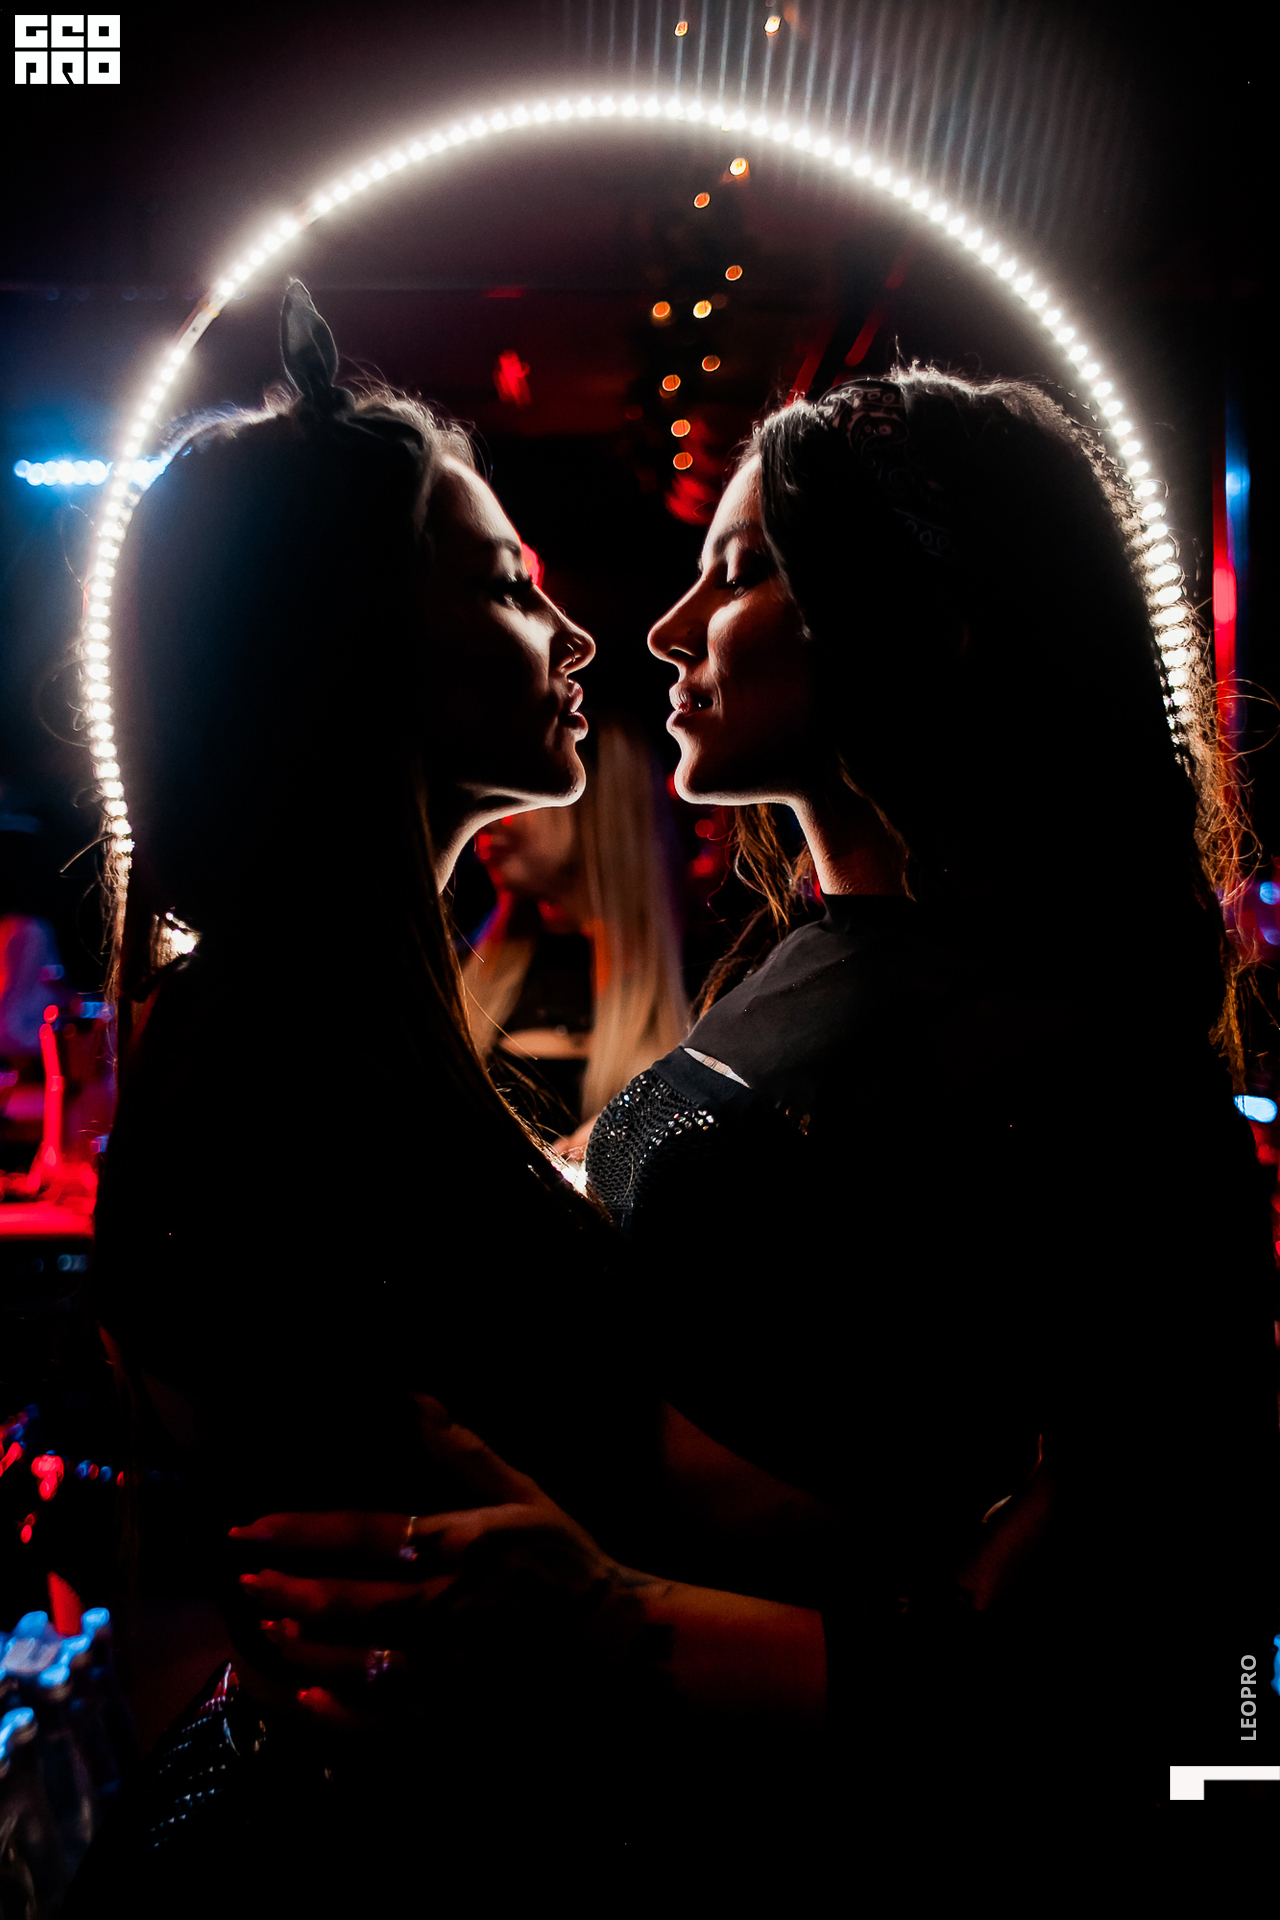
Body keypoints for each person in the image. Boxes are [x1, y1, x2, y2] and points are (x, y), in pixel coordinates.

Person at [236, 368, 1280, 1819]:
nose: (666, 628)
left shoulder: (1097, 1071)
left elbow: (1214, 1687)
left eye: (737, 573)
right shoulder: (805, 960)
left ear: (918, 618)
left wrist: (628, 1626)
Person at [73, 283, 813, 1911]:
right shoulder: (277, 1076)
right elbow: (484, 1564)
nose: (580, 638)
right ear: (353, 644)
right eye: (505, 586)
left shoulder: (323, 1029)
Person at [463, 716, 689, 1152]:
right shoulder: (454, 976)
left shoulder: (706, 986)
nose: (487, 817)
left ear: (598, 799)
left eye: (518, 790)